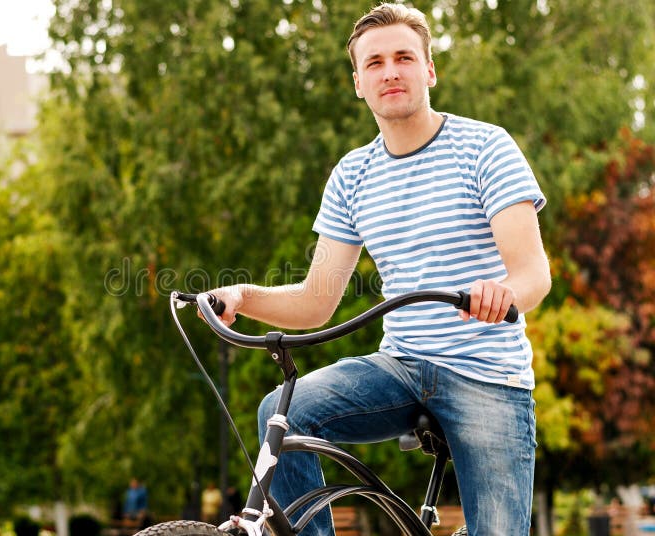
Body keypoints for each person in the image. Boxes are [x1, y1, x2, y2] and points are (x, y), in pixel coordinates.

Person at [205, 3, 551, 535]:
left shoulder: (486, 147)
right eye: (375, 63)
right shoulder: (352, 175)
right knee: (283, 411)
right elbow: (317, 301)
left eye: (404, 57)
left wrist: (501, 293)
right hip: (402, 367)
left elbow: (533, 275)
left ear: (429, 70)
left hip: (486, 372)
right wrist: (244, 297)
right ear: (358, 83)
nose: (390, 71)